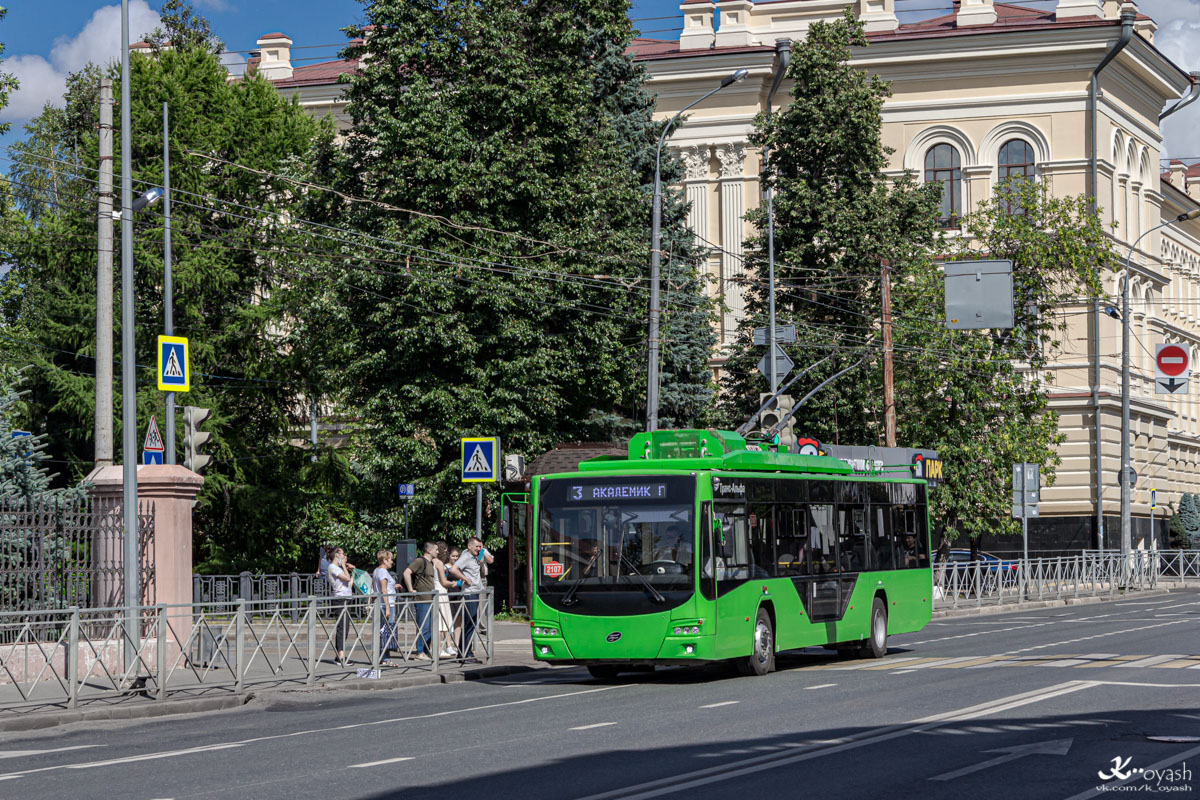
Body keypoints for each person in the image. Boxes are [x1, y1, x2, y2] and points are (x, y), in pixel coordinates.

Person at [450, 536, 492, 662]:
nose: (479, 549)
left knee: (471, 623)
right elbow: (453, 569)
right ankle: (465, 653)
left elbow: (490, 561)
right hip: (469, 593)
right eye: (477, 547)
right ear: (469, 546)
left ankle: (463, 653)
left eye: (480, 546)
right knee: (469, 624)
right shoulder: (466, 557)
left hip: (475, 592)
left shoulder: (475, 557)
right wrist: (465, 579)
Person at [402, 541, 439, 659]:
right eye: (436, 549)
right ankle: (419, 652)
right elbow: (406, 572)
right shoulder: (420, 561)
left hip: (430, 599)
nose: (438, 552)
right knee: (423, 626)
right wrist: (410, 589)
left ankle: (426, 651)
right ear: (429, 550)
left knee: (429, 627)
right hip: (422, 599)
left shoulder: (430, 563)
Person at [326, 547, 355, 666]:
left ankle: (340, 654)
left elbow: (349, 583)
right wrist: (343, 566)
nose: (345, 556)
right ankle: (340, 656)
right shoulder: (332, 567)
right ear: (337, 555)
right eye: (343, 554)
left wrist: (353, 571)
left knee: (346, 627)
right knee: (341, 627)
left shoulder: (339, 568)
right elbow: (346, 578)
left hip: (346, 598)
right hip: (340, 600)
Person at [434, 542, 459, 658]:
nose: (445, 553)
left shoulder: (434, 562)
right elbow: (443, 581)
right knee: (441, 622)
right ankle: (439, 648)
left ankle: (446, 646)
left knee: (444, 621)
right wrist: (455, 583)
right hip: (441, 591)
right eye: (444, 550)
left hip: (439, 591)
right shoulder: (438, 563)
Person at [372, 549, 397, 665]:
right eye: (390, 559)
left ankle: (382, 657)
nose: (392, 562)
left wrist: (394, 586)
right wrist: (387, 607)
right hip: (386, 605)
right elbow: (383, 590)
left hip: (380, 605)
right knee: (386, 631)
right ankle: (385, 658)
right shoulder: (383, 572)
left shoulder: (376, 571)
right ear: (384, 560)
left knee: (383, 631)